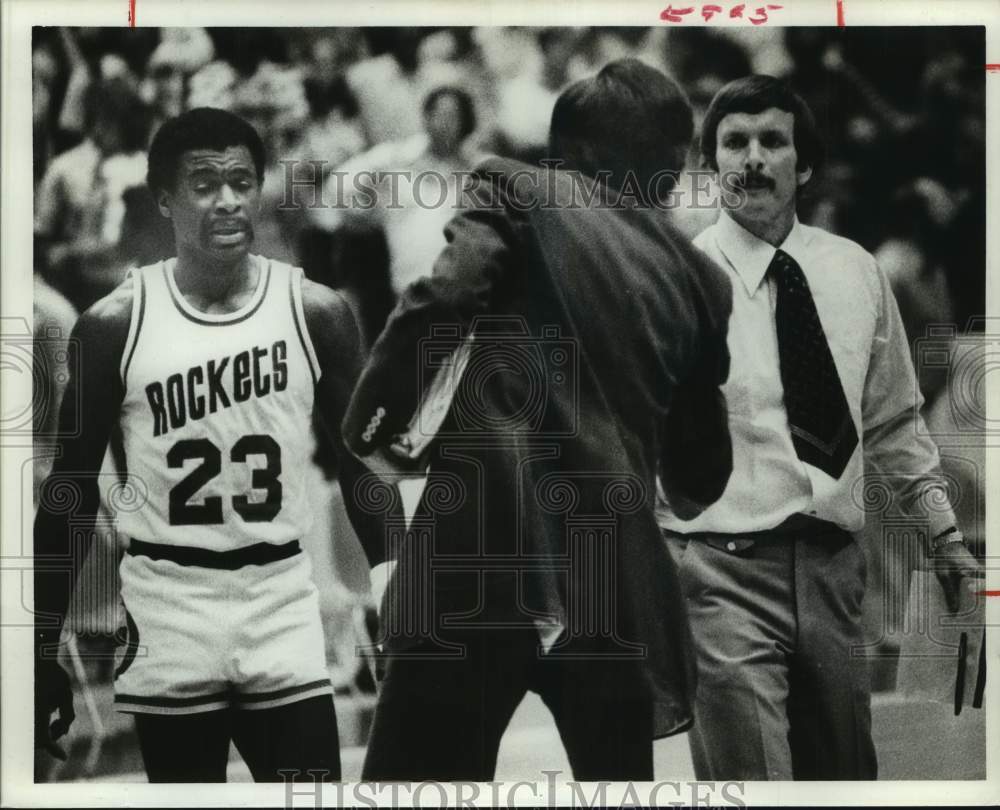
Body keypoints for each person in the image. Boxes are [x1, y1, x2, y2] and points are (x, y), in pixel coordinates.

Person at [342, 58, 734, 781]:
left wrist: (370, 429)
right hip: (611, 571)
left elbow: (444, 295)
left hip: (478, 549)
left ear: (565, 150)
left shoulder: (514, 187)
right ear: (674, 163)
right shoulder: (702, 277)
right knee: (616, 790)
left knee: (412, 789)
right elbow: (701, 477)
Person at [34, 107, 376, 782]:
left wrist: (400, 600)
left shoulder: (317, 312)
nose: (228, 200)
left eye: (242, 182)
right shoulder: (113, 326)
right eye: (204, 184)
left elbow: (364, 473)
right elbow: (68, 493)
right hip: (169, 602)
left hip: (280, 594)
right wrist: (43, 649)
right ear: (164, 198)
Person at [656, 74, 983, 780]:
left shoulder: (855, 271)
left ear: (803, 165)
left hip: (835, 569)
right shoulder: (675, 278)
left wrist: (945, 537)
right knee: (753, 782)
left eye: (772, 141)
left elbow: (894, 425)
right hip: (717, 570)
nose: (752, 158)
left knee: (844, 780)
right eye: (733, 143)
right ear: (710, 165)